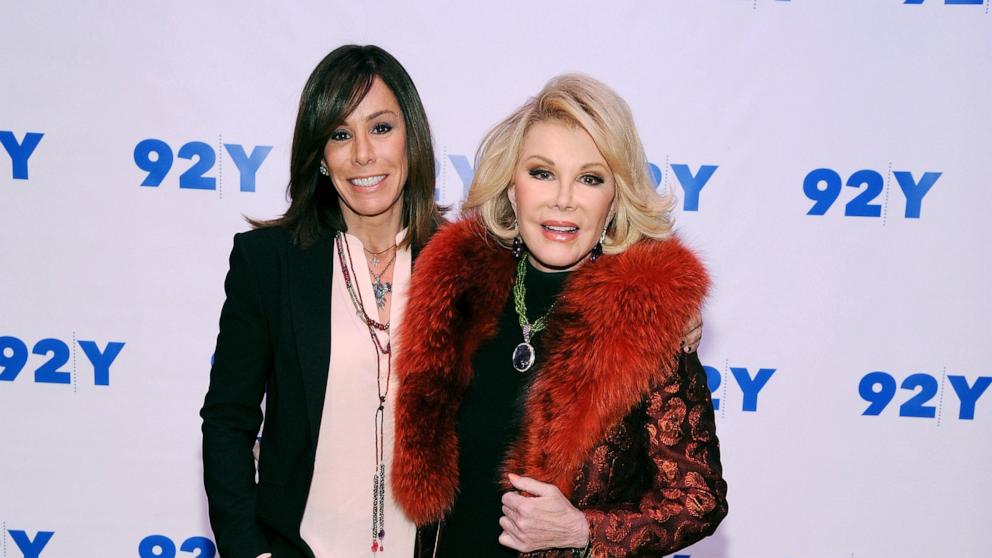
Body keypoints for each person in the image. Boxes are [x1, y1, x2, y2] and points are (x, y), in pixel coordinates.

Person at [392, 74, 728, 557]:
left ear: (615, 199)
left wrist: (585, 532)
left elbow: (698, 499)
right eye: (542, 172)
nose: (563, 198)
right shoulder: (457, 289)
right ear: (512, 188)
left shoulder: (647, 318)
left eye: (590, 178)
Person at [200, 44, 444, 558]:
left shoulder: (459, 264)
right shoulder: (269, 263)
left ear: (411, 139)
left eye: (381, 128)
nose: (362, 154)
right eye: (340, 134)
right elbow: (229, 420)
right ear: (320, 157)